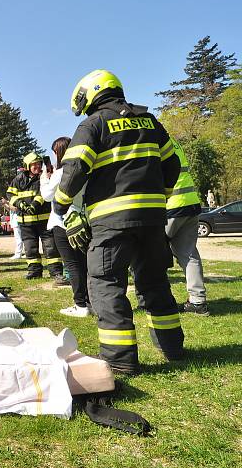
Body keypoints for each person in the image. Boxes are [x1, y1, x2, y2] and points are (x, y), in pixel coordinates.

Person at [53, 69, 183, 375]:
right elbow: (172, 163)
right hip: (152, 221)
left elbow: (74, 170)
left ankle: (120, 360)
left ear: (91, 93)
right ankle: (173, 349)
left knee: (106, 285)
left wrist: (61, 203)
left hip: (111, 222)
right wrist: (158, 197)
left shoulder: (94, 124)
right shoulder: (150, 122)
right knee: (155, 283)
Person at [41, 137, 91, 317]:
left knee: (72, 265)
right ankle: (89, 302)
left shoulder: (61, 172)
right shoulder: (84, 170)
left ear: (59, 153)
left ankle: (80, 305)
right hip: (82, 220)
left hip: (62, 222)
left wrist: (44, 178)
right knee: (84, 264)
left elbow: (47, 195)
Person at [166, 138, 209, 315]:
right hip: (190, 202)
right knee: (189, 254)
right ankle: (198, 302)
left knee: (150, 253)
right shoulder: (172, 141)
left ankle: (159, 301)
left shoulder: (152, 140)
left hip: (170, 205)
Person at [7, 153, 65, 282]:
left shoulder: (44, 177)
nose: (37, 167)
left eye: (39, 164)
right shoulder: (18, 179)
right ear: (27, 166)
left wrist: (35, 204)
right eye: (34, 165)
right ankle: (34, 271)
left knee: (51, 247)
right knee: (30, 248)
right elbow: (10, 194)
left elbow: (44, 192)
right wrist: (20, 203)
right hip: (25, 222)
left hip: (44, 220)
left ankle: (56, 272)